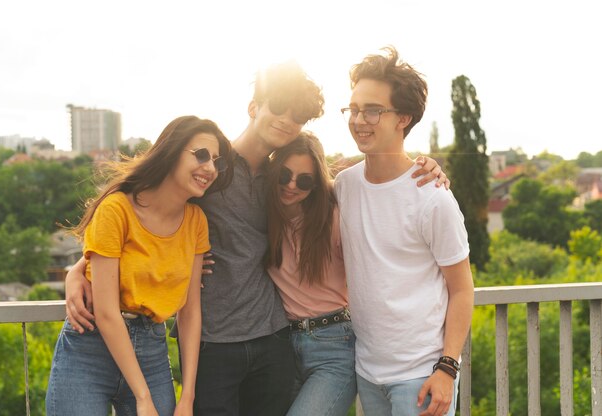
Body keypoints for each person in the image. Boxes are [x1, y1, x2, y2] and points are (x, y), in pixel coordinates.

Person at [64, 61, 448, 416]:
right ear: (253, 106)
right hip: (212, 344)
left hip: (273, 338)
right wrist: (81, 269)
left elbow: (358, 190)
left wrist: (425, 165)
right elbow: (144, 216)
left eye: (297, 116)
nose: (286, 120)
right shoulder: (206, 167)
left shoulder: (282, 180)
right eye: (278, 106)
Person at [46, 115, 233, 416]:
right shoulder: (116, 209)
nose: (209, 167)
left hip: (151, 351)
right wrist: (142, 397)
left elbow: (190, 311)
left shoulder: (196, 222)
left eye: (215, 160)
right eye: (200, 155)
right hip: (89, 349)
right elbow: (106, 312)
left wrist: (188, 396)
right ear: (171, 152)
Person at [334, 46, 475, 416]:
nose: (359, 119)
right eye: (353, 108)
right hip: (367, 371)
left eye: (373, 110)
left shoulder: (433, 199)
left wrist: (448, 368)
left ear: (403, 118)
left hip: (422, 375)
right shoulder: (344, 186)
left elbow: (461, 289)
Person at [265, 131, 354, 416]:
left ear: (316, 184)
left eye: (304, 180)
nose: (291, 185)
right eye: (284, 175)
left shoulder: (334, 219)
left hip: (334, 347)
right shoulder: (264, 216)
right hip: (283, 348)